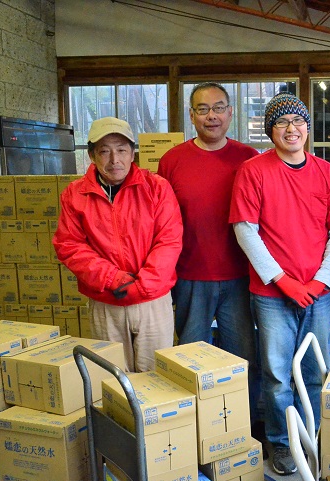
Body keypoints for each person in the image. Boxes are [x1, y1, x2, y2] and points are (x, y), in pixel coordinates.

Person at [230, 92, 330, 476]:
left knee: (316, 370)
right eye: (281, 123)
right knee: (278, 373)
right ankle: (281, 444)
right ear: (270, 131)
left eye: (298, 122)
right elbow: (245, 230)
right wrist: (283, 282)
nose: (291, 129)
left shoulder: (328, 173)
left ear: (308, 129)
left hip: (318, 292)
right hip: (271, 294)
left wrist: (320, 281)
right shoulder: (253, 171)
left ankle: (312, 439)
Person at [157, 82, 262, 428]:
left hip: (240, 278)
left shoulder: (249, 158)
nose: (211, 116)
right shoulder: (172, 161)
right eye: (202, 109)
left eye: (218, 108)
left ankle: (243, 429)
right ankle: (193, 431)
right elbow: (162, 220)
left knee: (244, 360)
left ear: (231, 113)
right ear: (191, 115)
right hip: (190, 277)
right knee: (188, 361)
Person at [54, 117, 183, 372]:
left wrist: (142, 285)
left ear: (132, 153)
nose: (115, 159)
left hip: (152, 301)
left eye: (122, 150)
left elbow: (169, 240)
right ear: (92, 155)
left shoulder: (156, 188)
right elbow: (69, 245)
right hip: (106, 301)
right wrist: (114, 279)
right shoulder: (75, 194)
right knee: (112, 379)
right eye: (104, 151)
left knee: (156, 376)